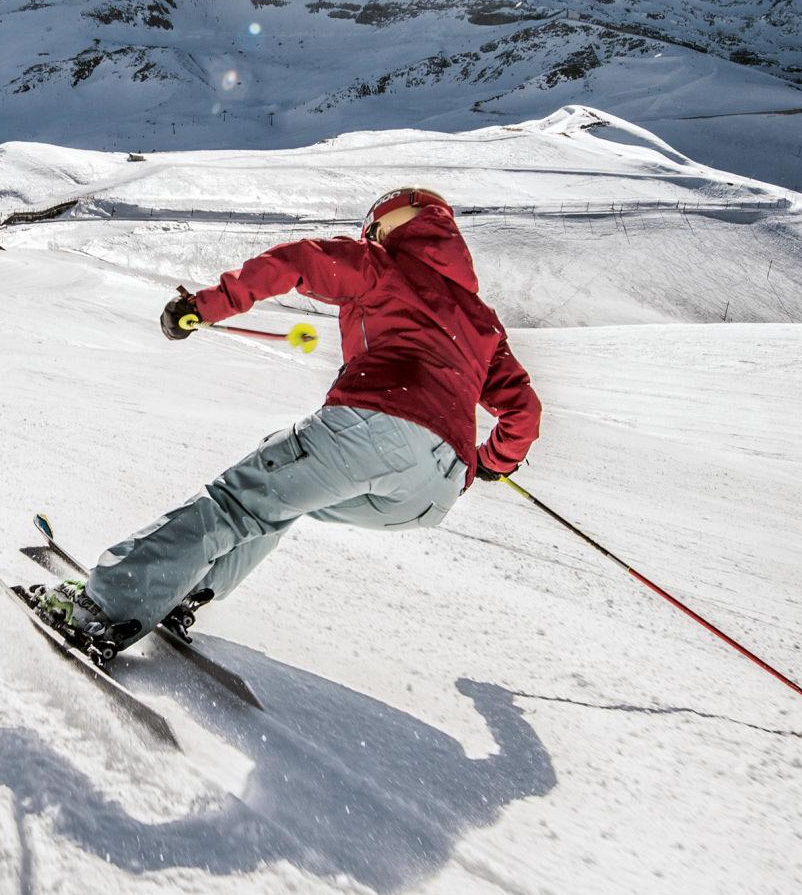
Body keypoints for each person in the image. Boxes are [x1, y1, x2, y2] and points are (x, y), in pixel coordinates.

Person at [36, 187, 541, 654]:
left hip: (378, 423)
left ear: (404, 220)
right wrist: (490, 463)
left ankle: (101, 609)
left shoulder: (386, 265)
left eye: (375, 225)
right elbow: (523, 409)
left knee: (238, 503)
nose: (370, 233)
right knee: (282, 500)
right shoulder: (482, 320)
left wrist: (204, 306)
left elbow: (299, 262)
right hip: (433, 492)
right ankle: (187, 588)